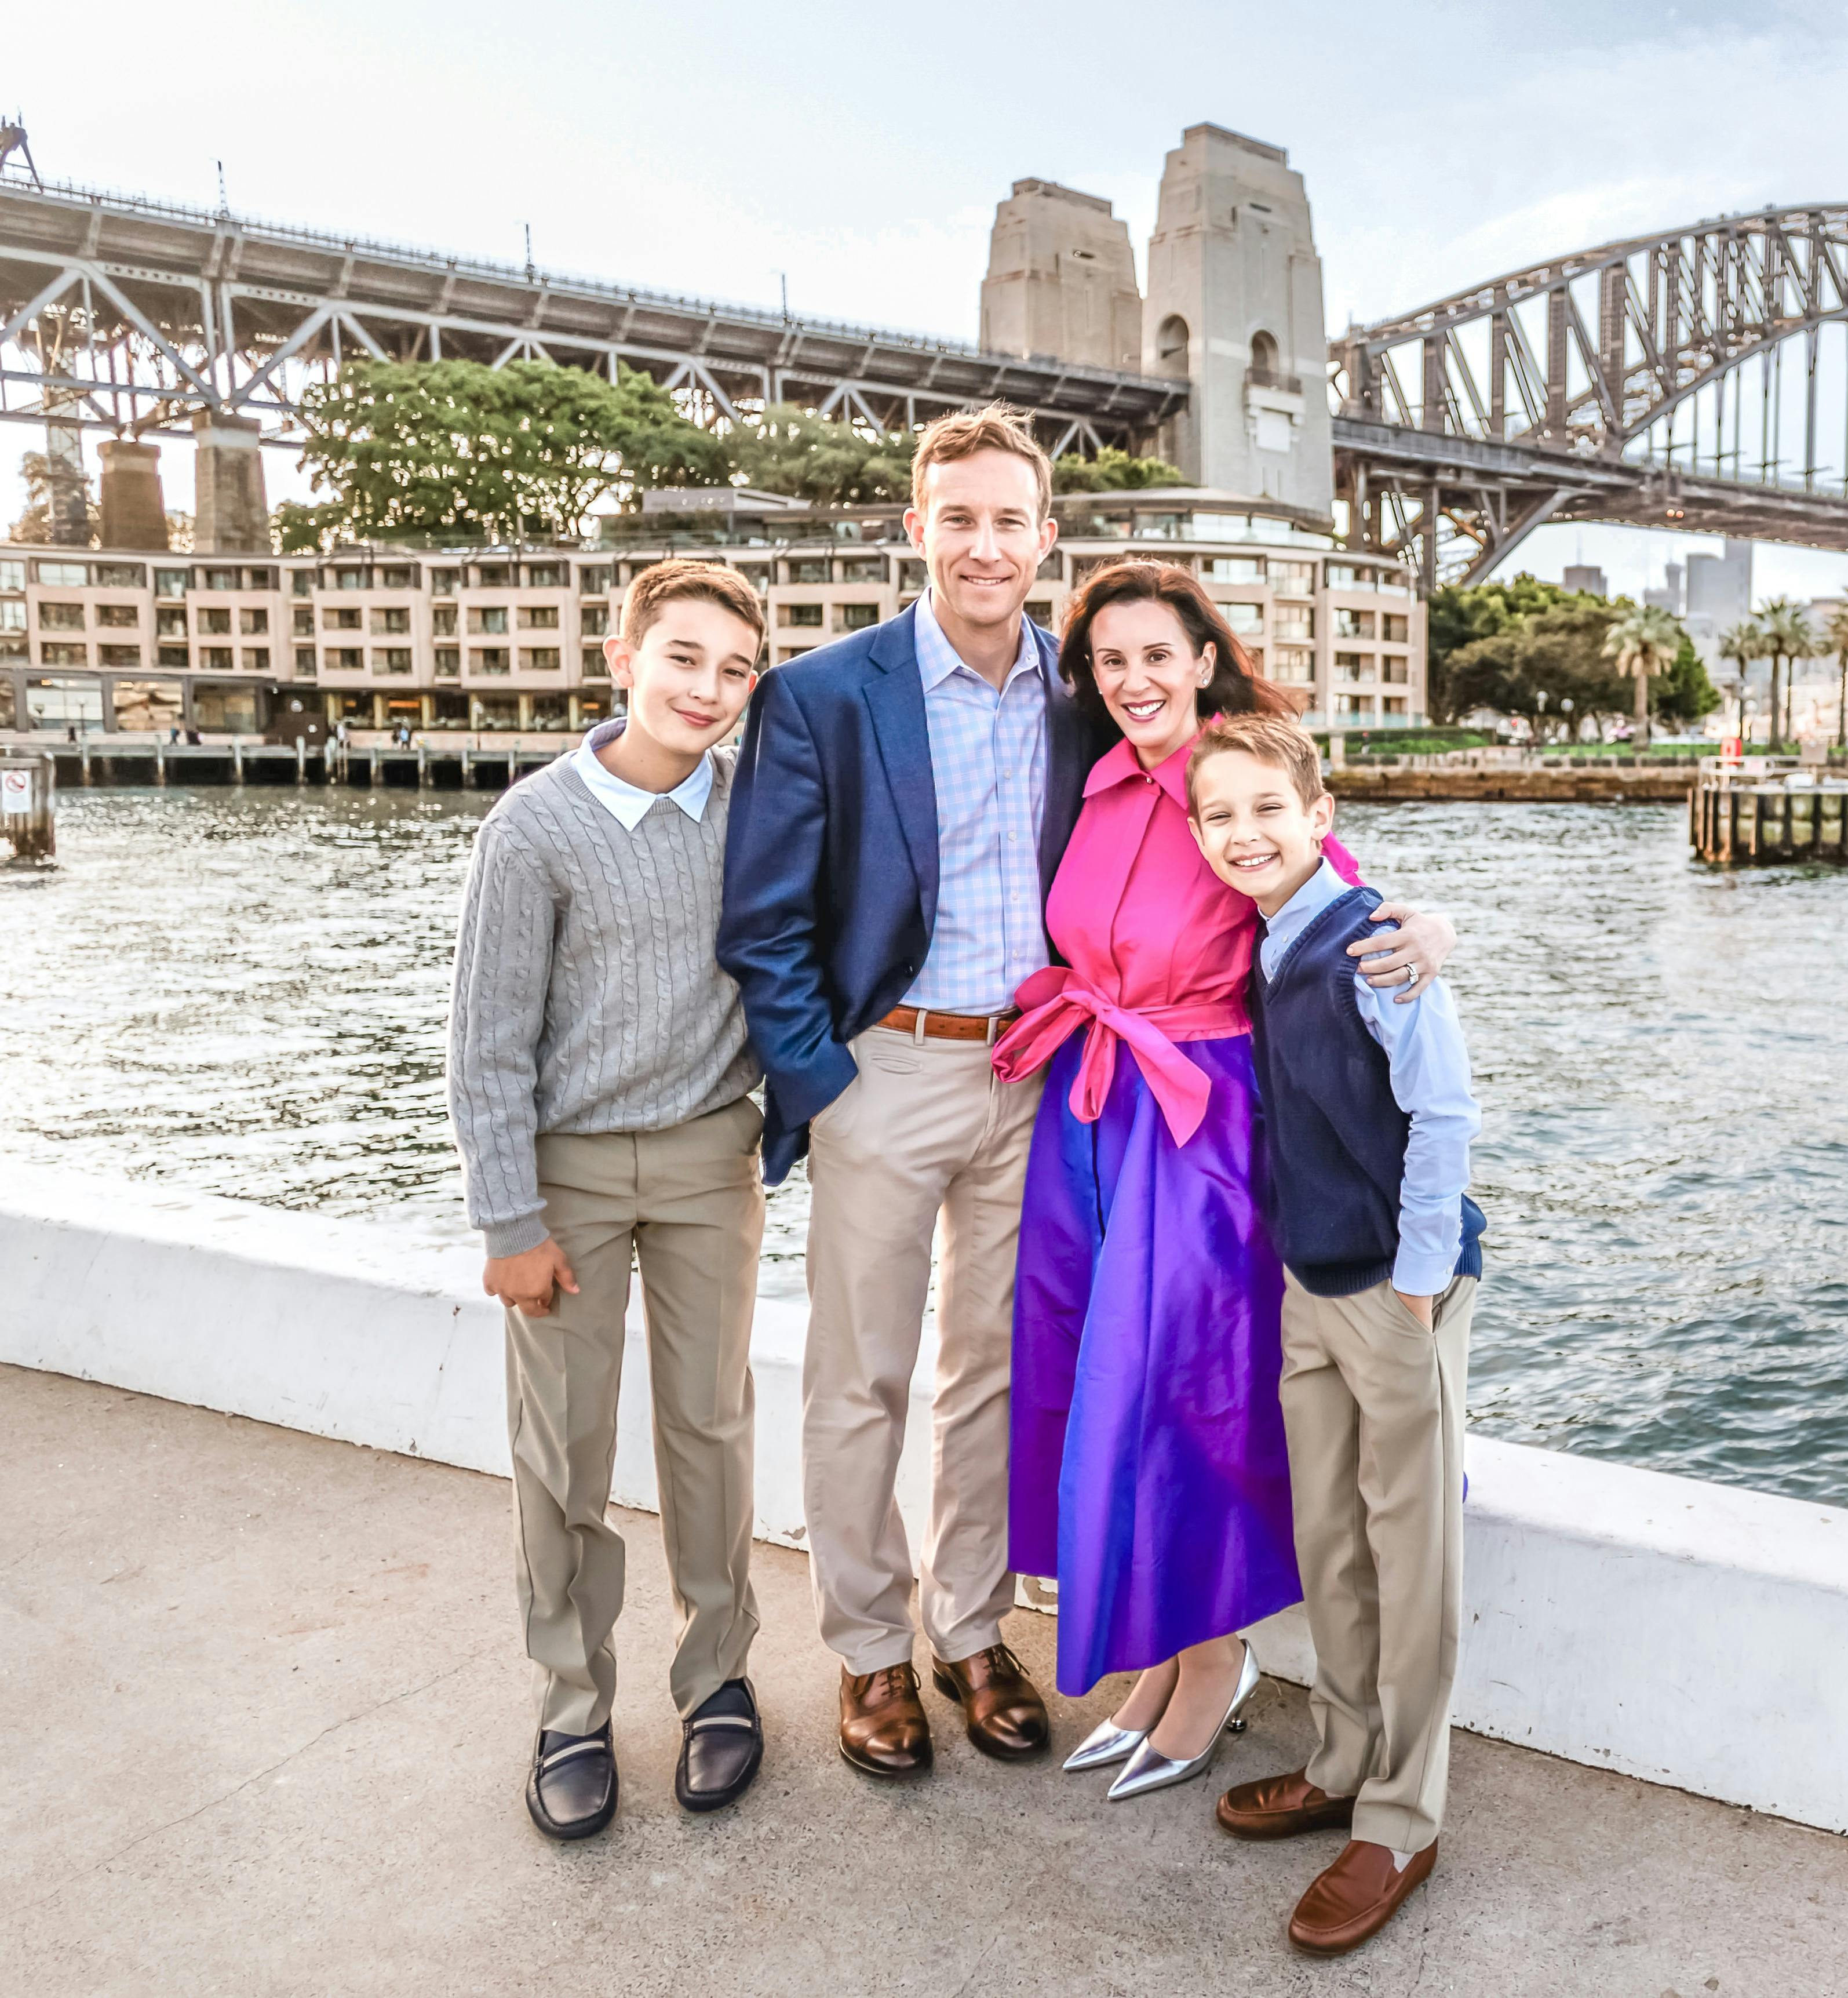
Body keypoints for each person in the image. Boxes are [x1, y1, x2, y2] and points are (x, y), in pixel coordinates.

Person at [717, 405, 1449, 1781]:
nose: (983, 544)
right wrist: (826, 1081)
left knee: (995, 1374)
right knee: (857, 1377)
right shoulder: (826, 694)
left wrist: (1424, 928)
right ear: (915, 527)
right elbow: (761, 920)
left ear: (1042, 539)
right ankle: (871, 1653)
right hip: (891, 1063)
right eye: (958, 517)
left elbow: (1272, 841)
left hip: (1045, 1079)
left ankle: (972, 1631)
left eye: (1009, 520)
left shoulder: (1081, 710)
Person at [992, 561, 1379, 1805]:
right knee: (1085, 1379)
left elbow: (1334, 898)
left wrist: (1424, 930)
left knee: (1181, 1393)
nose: (1134, 680)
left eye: (1157, 654)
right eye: (1109, 661)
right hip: (1090, 1103)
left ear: (1203, 658)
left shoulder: (1228, 777)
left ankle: (1213, 1658)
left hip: (1199, 1118)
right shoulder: (1097, 783)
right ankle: (1154, 1653)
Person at [447, 558, 771, 1841]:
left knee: (709, 1424)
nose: (706, 687)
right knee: (563, 1448)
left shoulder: (761, 810)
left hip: (707, 1158)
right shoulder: (534, 826)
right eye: (682, 657)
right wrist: (507, 1218)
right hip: (566, 1172)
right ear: (621, 656)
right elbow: (486, 1043)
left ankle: (718, 1677)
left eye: (734, 668)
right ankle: (572, 1701)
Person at [1185, 713, 1485, 1956]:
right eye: (1220, 814)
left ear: (1319, 814)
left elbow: (1443, 1109)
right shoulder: (1270, 941)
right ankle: (1344, 1755)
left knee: (1410, 1556)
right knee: (1332, 1533)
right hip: (1311, 1283)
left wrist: (1414, 1286)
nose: (1244, 832)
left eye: (1267, 806)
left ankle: (1404, 1814)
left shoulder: (1370, 944)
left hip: (1392, 1289)